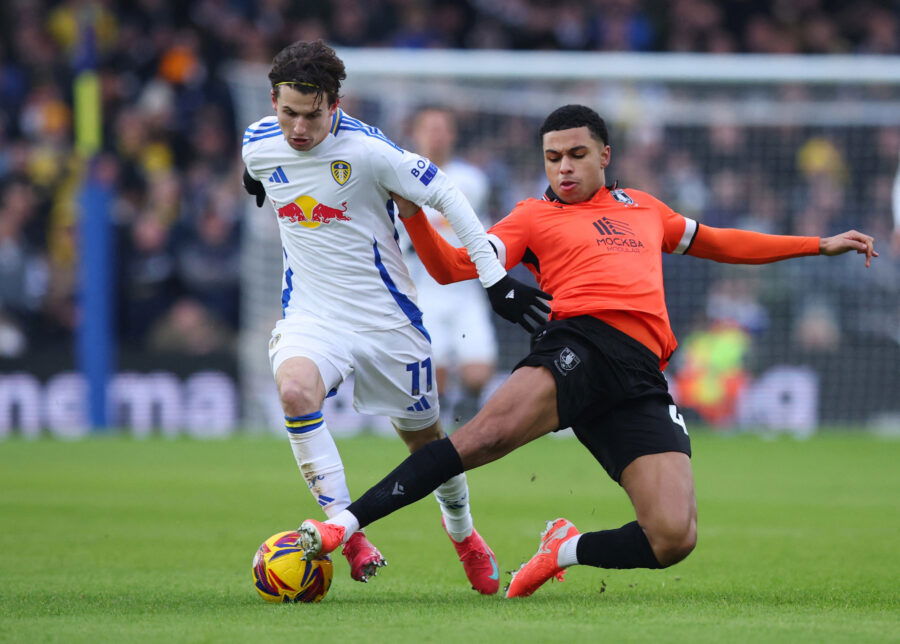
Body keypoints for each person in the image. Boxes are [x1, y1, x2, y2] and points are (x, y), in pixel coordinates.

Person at [294, 104, 878, 598]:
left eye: (576, 154)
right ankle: (342, 527)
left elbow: (719, 242)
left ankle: (563, 548)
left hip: (641, 374)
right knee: (480, 441)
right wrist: (415, 211)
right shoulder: (531, 217)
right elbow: (450, 267)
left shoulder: (646, 208)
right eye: (553, 158)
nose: (564, 168)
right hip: (579, 344)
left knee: (673, 539)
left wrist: (815, 245)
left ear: (605, 155)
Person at [240, 40, 549, 594]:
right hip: (311, 315)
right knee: (294, 393)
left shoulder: (370, 151)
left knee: (429, 448)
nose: (298, 129)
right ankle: (347, 532)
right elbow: (259, 165)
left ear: (335, 104)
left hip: (387, 322)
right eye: (288, 113)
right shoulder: (259, 143)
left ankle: (463, 533)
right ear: (273, 101)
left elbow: (448, 194)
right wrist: (255, 178)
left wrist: (494, 277)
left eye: (312, 116)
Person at [400, 107, 497, 426]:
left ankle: (468, 412)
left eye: (442, 128)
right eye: (429, 128)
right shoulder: (400, 178)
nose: (436, 135)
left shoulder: (471, 181)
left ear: (453, 134)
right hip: (424, 287)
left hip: (465, 287)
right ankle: (440, 434)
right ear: (416, 133)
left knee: (478, 373)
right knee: (434, 376)